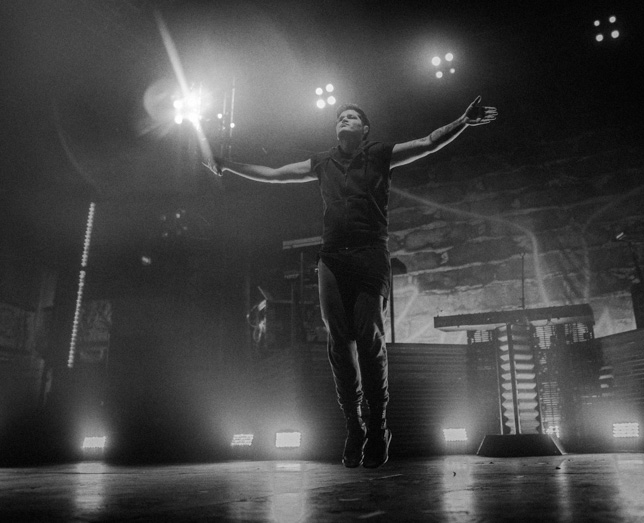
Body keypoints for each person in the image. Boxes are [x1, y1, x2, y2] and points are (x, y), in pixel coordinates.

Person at [205, 97, 497, 468]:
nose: (345, 118)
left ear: (364, 129)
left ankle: (377, 425)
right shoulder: (322, 163)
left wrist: (461, 122)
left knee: (369, 336)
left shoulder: (379, 155)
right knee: (338, 340)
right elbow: (276, 174)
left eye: (353, 116)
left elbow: (427, 143)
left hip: (370, 254)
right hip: (332, 258)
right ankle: (353, 426)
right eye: (340, 116)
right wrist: (227, 165)